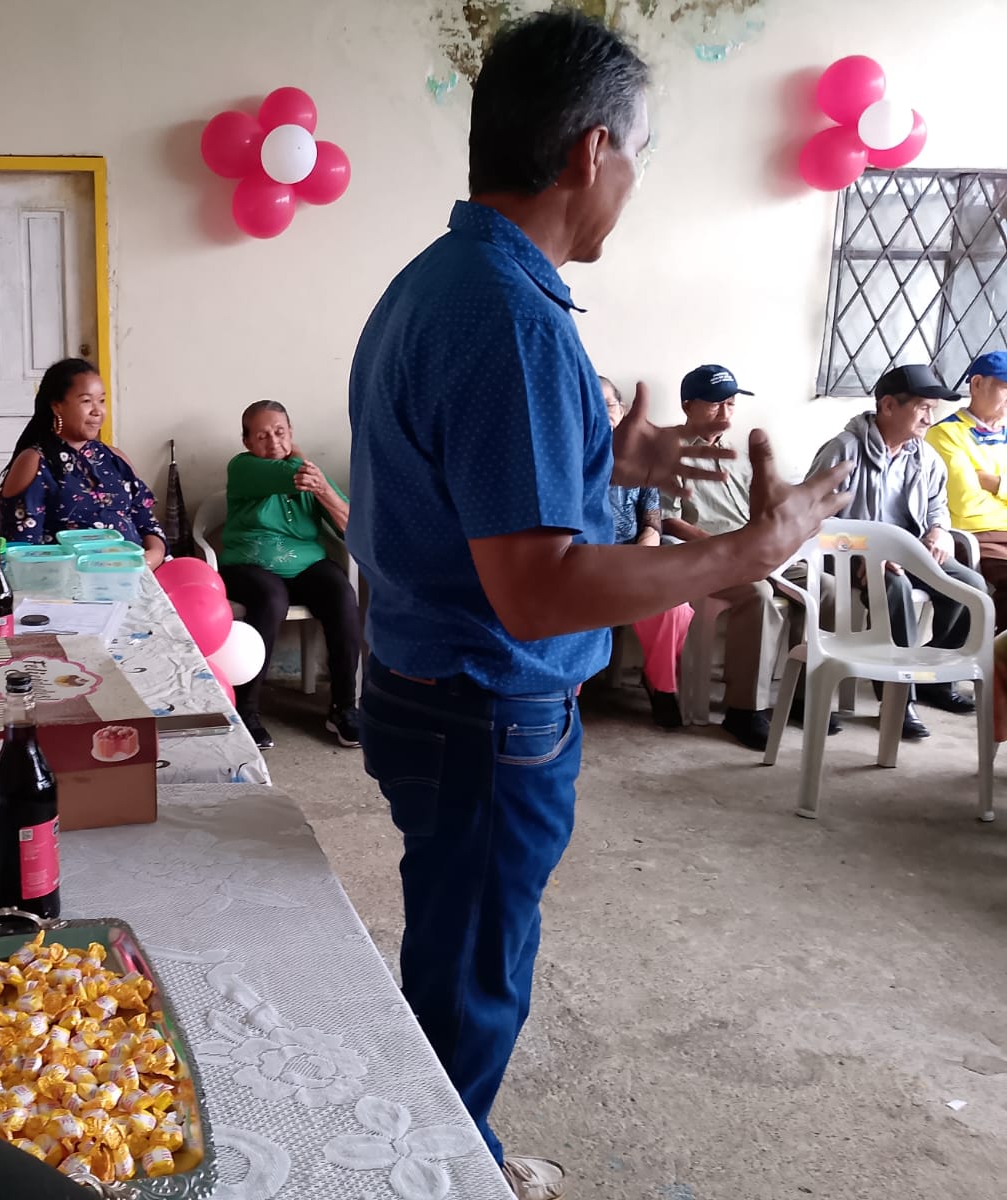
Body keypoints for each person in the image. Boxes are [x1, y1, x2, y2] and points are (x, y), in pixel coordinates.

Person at [346, 12, 850, 1197]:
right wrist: (749, 549)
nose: (633, 182)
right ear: (591, 150)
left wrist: (606, 465)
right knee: (475, 976)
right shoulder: (510, 318)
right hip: (484, 709)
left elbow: (468, 490)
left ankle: (449, 1146)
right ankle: (443, 1171)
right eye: (639, 155)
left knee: (458, 947)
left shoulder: (446, 281)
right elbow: (537, 593)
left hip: (431, 689)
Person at [808, 363, 984, 739]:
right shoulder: (844, 450)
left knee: (972, 588)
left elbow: (937, 507)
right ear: (888, 406)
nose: (930, 418)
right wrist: (863, 553)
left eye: (932, 409)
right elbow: (812, 522)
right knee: (894, 586)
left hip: (908, 553)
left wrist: (938, 531)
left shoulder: (924, 456)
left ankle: (933, 680)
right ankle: (898, 701)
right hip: (847, 558)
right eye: (922, 408)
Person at [660, 364, 810, 749]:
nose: (725, 413)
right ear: (687, 405)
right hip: (704, 556)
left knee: (821, 586)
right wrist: (723, 547)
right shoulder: (668, 452)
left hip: (751, 551)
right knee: (757, 595)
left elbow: (760, 511)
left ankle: (802, 696)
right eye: (714, 404)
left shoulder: (738, 456)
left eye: (730, 403)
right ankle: (744, 710)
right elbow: (667, 521)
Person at [219, 401, 362, 750]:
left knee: (341, 593)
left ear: (291, 432)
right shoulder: (243, 467)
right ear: (247, 442)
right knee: (271, 598)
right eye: (262, 436)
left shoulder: (310, 474)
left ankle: (344, 708)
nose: (273, 442)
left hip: (304, 566)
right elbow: (291, 474)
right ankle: (246, 711)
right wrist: (301, 458)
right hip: (248, 566)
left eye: (280, 432)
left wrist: (324, 490)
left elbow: (351, 526)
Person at [0, 359, 167, 569]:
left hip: (133, 574)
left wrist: (152, 556)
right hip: (67, 582)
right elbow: (23, 550)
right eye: (87, 401)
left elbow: (147, 523)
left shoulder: (116, 459)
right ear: (57, 406)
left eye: (101, 400)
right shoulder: (34, 462)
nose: (97, 411)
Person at [601, 377, 690, 727]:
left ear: (622, 411)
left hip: (634, 557)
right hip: (586, 562)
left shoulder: (642, 461)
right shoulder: (568, 458)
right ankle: (568, 692)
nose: (600, 413)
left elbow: (652, 521)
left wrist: (642, 552)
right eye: (589, 406)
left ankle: (660, 684)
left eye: (607, 405)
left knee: (673, 607)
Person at [927, 351, 1007, 631]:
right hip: (978, 536)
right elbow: (966, 503)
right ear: (977, 384)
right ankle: (990, 648)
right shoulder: (945, 434)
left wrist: (994, 483)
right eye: (1006, 388)